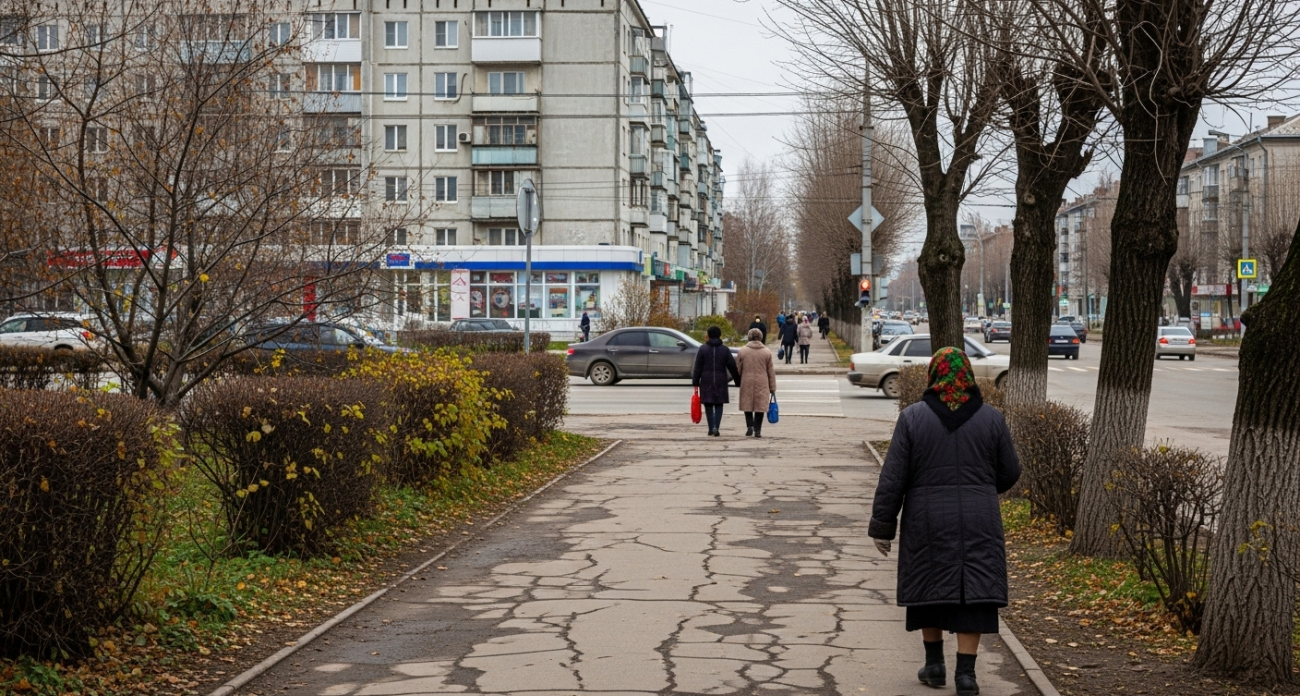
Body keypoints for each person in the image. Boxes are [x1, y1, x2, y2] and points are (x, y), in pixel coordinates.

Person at [868, 348, 1021, 696]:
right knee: (973, 591)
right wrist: (981, 488)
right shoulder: (992, 419)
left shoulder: (912, 418)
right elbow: (1010, 471)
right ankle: (966, 675)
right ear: (968, 376)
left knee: (929, 585)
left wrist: (882, 526)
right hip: (979, 519)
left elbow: (893, 478)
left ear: (933, 376)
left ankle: (934, 665)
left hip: (926, 519)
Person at [691, 325, 740, 437]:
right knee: (719, 404)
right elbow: (732, 366)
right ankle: (716, 427)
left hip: (706, 379)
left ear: (708, 335)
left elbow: (698, 367)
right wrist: (737, 380)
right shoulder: (725, 349)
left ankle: (710, 428)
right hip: (721, 379)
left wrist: (695, 381)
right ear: (719, 335)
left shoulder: (703, 349)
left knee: (708, 404)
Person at [735, 328, 775, 437]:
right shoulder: (766, 352)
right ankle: (758, 430)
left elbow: (738, 368)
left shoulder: (743, 351)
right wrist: (772, 387)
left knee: (747, 404)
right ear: (761, 337)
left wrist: (738, 380)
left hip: (746, 380)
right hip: (762, 381)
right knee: (760, 406)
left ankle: (750, 426)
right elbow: (770, 371)